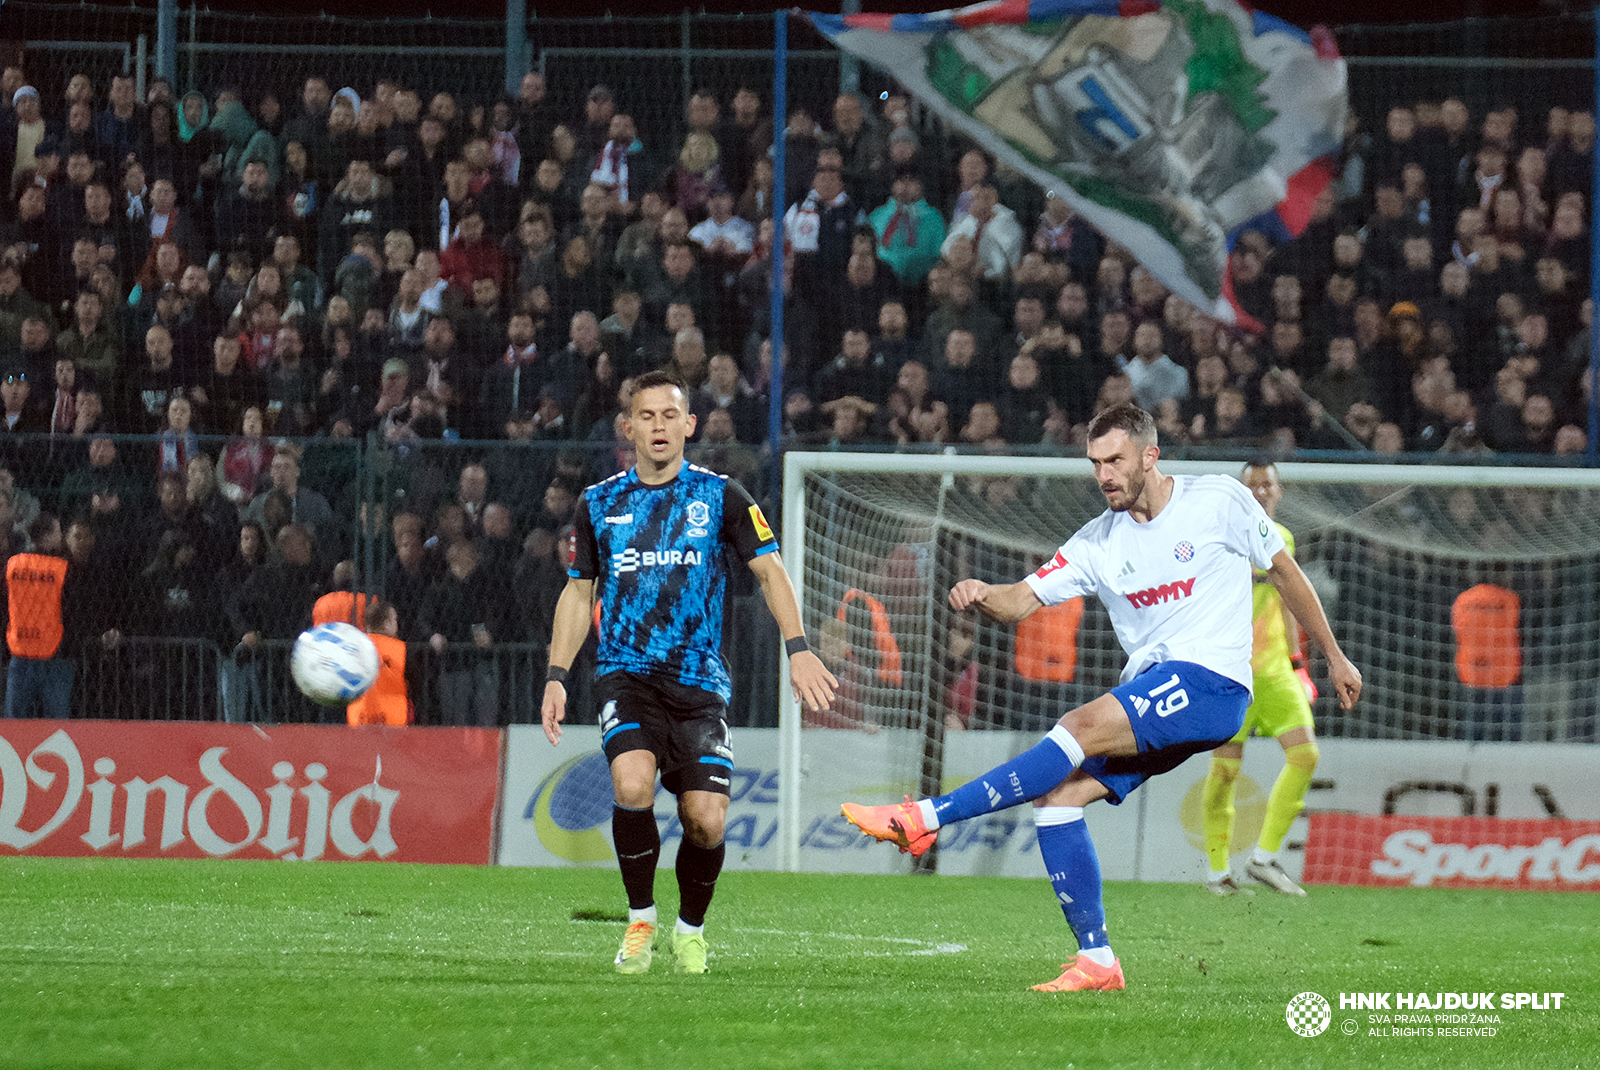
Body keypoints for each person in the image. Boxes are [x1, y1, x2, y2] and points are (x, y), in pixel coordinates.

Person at [841, 404, 1361, 993]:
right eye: (1095, 464)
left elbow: (1287, 574)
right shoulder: (1097, 542)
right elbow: (1020, 601)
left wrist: (1335, 655)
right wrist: (985, 594)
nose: (1105, 475)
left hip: (1215, 684)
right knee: (1058, 798)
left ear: (1149, 455)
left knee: (1079, 724)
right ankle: (1098, 960)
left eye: (1115, 460)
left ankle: (925, 818)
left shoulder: (1219, 500)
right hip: (1159, 696)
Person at [540, 370, 836, 976]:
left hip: (700, 686)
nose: (657, 426)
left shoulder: (723, 497)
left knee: (705, 821)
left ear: (689, 425)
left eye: (669, 416)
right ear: (628, 427)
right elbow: (577, 594)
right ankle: (640, 919)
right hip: (626, 675)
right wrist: (556, 674)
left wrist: (799, 646)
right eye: (645, 416)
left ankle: (690, 930)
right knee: (631, 786)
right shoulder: (598, 504)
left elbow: (771, 572)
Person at [1199, 461, 1321, 897]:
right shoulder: (1220, 538)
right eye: (1252, 485)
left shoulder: (1282, 538)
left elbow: (1289, 601)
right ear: (1241, 492)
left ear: (1279, 491)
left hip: (1273, 671)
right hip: (1231, 674)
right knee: (1226, 772)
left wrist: (1297, 662)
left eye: (1267, 484)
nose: (1261, 491)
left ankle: (1264, 858)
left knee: (1305, 756)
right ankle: (1217, 872)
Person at [4, 511, 72, 719]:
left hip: (20, 648)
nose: (61, 537)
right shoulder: (62, 569)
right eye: (57, 532)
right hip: (53, 652)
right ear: (47, 536)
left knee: (14, 724)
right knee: (57, 724)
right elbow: (71, 607)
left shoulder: (13, 565)